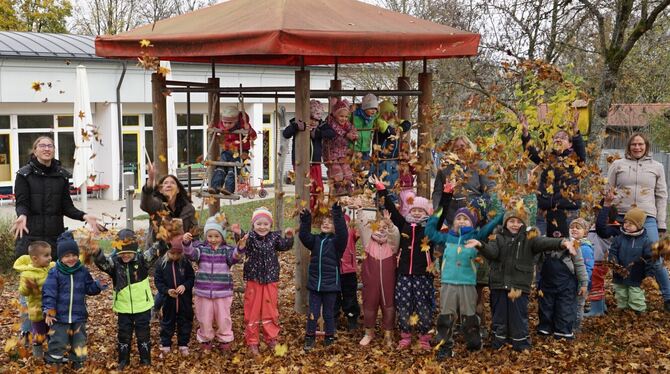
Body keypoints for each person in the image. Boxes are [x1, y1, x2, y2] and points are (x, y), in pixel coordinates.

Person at [466, 206, 576, 352]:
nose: (515, 224)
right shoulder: (497, 237)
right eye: (512, 221)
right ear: (506, 223)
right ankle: (499, 341)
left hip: (518, 285)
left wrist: (562, 242)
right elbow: (492, 253)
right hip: (499, 284)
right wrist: (481, 245)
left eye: (518, 222)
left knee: (518, 316)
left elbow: (544, 242)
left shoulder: (529, 239)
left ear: (523, 224)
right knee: (499, 315)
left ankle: (520, 342)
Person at [426, 181, 502, 359]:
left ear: (472, 222)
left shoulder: (476, 236)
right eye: (458, 218)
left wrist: (505, 210)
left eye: (465, 219)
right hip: (448, 284)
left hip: (467, 284)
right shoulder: (446, 238)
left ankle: (474, 344)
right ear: (453, 222)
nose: (461, 221)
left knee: (469, 316)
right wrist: (444, 200)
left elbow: (493, 224)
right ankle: (445, 345)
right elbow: (430, 230)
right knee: (446, 317)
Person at [607, 133, 669, 311]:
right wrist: (607, 214)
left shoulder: (657, 166)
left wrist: (661, 222)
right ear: (628, 146)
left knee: (655, 256)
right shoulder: (618, 165)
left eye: (640, 144)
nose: (637, 147)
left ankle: (668, 297)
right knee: (618, 256)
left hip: (647, 216)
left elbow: (661, 195)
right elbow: (608, 190)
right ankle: (622, 297)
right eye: (634, 144)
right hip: (621, 215)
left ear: (646, 146)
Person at [372, 175, 434, 350]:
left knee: (423, 305)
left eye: (420, 211)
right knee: (404, 304)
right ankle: (405, 336)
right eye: (413, 210)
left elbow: (442, 214)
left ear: (426, 213)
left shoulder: (429, 227)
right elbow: (391, 206)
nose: (416, 213)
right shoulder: (403, 224)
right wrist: (381, 189)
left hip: (423, 274)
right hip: (404, 273)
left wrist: (446, 194)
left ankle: (424, 338)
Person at [12, 136, 100, 258]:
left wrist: (84, 216)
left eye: (50, 146)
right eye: (42, 146)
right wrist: (22, 215)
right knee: (31, 275)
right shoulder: (24, 174)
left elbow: (67, 207)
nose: (46, 149)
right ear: (35, 150)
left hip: (55, 238)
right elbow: (22, 203)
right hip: (31, 238)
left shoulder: (61, 176)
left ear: (54, 150)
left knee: (55, 275)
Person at [93, 229, 164, 369]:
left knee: (143, 334)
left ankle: (145, 360)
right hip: (124, 308)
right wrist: (97, 253)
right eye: (121, 253)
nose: (125, 255)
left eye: (128, 252)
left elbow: (157, 249)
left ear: (135, 250)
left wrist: (165, 238)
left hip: (142, 307)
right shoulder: (114, 264)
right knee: (123, 335)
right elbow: (103, 263)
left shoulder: (143, 260)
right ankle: (123, 360)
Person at [42, 231, 105, 369]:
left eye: (74, 255)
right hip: (59, 317)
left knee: (79, 341)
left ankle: (79, 363)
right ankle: (55, 363)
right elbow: (49, 293)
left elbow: (89, 288)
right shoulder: (55, 273)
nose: (71, 258)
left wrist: (98, 286)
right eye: (67, 256)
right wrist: (49, 310)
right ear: (60, 257)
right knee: (58, 341)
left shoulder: (82, 271)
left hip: (78, 316)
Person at [519, 111, 585, 237]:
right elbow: (530, 152)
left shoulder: (575, 160)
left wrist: (575, 131)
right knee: (541, 242)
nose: (558, 139)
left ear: (570, 144)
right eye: (556, 137)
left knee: (567, 244)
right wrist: (525, 134)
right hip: (545, 211)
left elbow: (581, 149)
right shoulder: (547, 158)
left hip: (567, 211)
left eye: (563, 137)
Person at [182, 217, 243, 352]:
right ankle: (205, 339)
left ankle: (225, 339)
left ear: (222, 236)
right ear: (206, 236)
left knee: (223, 318)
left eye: (216, 236)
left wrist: (240, 248)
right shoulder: (201, 249)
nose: (213, 239)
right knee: (204, 318)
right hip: (203, 292)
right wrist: (186, 243)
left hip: (223, 292)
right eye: (210, 236)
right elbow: (191, 254)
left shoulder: (227, 250)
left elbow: (235, 257)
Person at [239, 207, 294, 355]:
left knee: (270, 309)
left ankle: (271, 338)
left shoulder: (274, 237)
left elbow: (284, 246)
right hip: (254, 279)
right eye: (259, 224)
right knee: (252, 310)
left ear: (270, 226)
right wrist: (237, 232)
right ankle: (252, 341)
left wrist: (289, 237)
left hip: (270, 279)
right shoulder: (249, 237)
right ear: (253, 224)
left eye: (266, 224)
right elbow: (241, 245)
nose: (262, 227)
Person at [298, 203, 348, 351]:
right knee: (312, 312)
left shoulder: (337, 243)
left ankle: (329, 337)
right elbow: (303, 236)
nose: (326, 224)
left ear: (334, 226)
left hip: (330, 285)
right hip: (315, 285)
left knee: (328, 313)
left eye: (329, 222)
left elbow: (343, 233)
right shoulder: (315, 241)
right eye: (324, 222)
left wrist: (337, 214)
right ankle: (310, 337)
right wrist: (306, 219)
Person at [536, 218, 588, 340]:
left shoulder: (574, 245)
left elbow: (579, 265)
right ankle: (546, 327)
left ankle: (563, 330)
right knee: (546, 306)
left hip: (566, 283)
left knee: (565, 307)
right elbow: (536, 262)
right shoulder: (543, 244)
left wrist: (584, 283)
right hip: (547, 282)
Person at [356, 210, 399, 347]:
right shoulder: (368, 242)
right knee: (369, 305)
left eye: (384, 228)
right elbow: (363, 227)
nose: (381, 230)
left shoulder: (391, 245)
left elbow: (395, 235)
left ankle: (388, 333)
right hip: (371, 280)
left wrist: (390, 224)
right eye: (378, 227)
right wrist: (360, 211)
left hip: (388, 282)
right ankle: (369, 332)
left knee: (389, 306)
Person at [282, 100, 336, 210]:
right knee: (305, 187)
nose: (314, 122)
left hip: (315, 162)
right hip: (300, 163)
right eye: (312, 118)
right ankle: (304, 210)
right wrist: (296, 127)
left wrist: (318, 133)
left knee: (318, 187)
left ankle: (316, 210)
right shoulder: (297, 122)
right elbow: (286, 134)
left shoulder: (321, 125)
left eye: (317, 120)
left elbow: (332, 133)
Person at [431, 135, 495, 222]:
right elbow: (437, 192)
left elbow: (490, 190)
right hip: (450, 216)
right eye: (456, 147)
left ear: (469, 147)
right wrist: (437, 211)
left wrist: (479, 206)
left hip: (474, 215)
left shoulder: (481, 166)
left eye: (462, 146)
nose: (459, 149)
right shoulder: (445, 168)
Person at [154, 236, 195, 357]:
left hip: (184, 301)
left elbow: (191, 278)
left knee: (185, 322)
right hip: (168, 300)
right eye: (172, 253)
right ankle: (166, 344)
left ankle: (183, 344)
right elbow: (158, 281)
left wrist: (185, 286)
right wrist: (167, 290)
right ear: (167, 251)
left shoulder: (185, 262)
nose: (175, 256)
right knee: (167, 322)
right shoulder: (161, 263)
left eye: (178, 253)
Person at [13, 241, 55, 360]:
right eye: (46, 255)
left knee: (53, 332)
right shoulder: (27, 274)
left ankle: (53, 355)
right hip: (37, 311)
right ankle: (38, 356)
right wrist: (28, 286)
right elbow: (23, 292)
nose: (50, 258)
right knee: (39, 334)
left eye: (50, 254)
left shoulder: (51, 267)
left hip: (51, 309)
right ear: (35, 259)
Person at [141, 161, 198, 247]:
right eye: (165, 183)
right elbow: (145, 204)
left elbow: (195, 233)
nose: (169, 185)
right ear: (160, 190)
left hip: (182, 251)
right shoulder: (157, 205)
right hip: (157, 253)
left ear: (178, 190)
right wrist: (150, 181)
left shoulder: (189, 208)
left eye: (172, 183)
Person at [609, 208, 653, 312]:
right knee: (621, 294)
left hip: (637, 274)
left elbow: (649, 259)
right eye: (625, 222)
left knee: (635, 296)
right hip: (620, 273)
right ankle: (623, 311)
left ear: (639, 225)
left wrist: (649, 275)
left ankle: (638, 312)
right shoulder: (619, 238)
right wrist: (614, 263)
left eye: (631, 223)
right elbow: (613, 252)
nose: (627, 225)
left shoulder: (645, 241)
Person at [210, 106, 258, 194]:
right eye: (225, 122)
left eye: (230, 123)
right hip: (227, 150)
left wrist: (248, 129)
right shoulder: (221, 124)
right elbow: (214, 129)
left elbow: (254, 137)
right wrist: (211, 128)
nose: (227, 125)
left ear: (236, 121)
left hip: (241, 151)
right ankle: (215, 187)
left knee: (232, 169)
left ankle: (228, 189)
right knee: (220, 167)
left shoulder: (243, 125)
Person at [370, 100, 411, 200]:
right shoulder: (379, 121)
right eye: (386, 113)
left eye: (391, 113)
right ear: (381, 113)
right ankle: (383, 204)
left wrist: (400, 127)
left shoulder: (394, 121)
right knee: (383, 184)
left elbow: (407, 124)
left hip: (394, 159)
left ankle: (393, 202)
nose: (388, 115)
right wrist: (397, 127)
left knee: (394, 182)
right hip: (382, 160)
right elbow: (388, 131)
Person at [323, 99, 358, 195]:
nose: (344, 119)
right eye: (341, 116)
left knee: (347, 170)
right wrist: (347, 134)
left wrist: (354, 134)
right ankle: (337, 187)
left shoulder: (347, 125)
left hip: (342, 152)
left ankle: (348, 185)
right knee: (336, 170)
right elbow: (336, 130)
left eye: (346, 116)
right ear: (335, 115)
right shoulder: (331, 122)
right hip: (331, 153)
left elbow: (352, 128)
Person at [334, 213, 360, 331]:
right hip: (334, 270)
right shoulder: (332, 234)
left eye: (345, 224)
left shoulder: (351, 232)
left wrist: (359, 214)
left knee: (350, 296)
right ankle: (333, 319)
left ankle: (352, 318)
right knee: (334, 296)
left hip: (349, 270)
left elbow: (360, 231)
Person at [570, 218, 594, 331]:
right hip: (570, 282)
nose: (574, 229)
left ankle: (576, 328)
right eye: (572, 227)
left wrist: (584, 283)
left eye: (578, 228)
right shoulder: (569, 244)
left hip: (581, 283)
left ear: (585, 232)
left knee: (578, 306)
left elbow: (588, 268)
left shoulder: (585, 248)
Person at [351, 93, 382, 167]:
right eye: (371, 108)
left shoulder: (372, 117)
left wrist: (379, 109)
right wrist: (350, 111)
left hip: (366, 146)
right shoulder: (355, 115)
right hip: (355, 146)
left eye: (375, 109)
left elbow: (377, 115)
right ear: (365, 108)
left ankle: (365, 176)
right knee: (355, 165)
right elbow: (348, 119)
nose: (373, 111)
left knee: (366, 165)